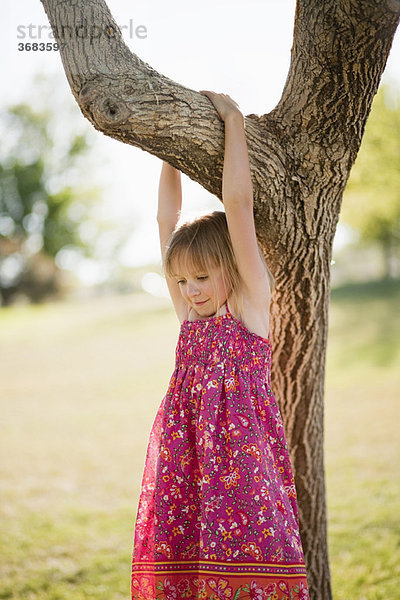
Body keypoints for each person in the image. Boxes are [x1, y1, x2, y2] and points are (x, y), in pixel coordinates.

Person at [131, 91, 309, 600]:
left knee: (255, 555)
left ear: (230, 268)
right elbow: (167, 222)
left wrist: (233, 121)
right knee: (188, 567)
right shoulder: (190, 315)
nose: (191, 291)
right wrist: (170, 149)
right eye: (182, 281)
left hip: (243, 463)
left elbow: (237, 205)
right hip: (187, 460)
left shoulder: (251, 303)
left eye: (202, 277)